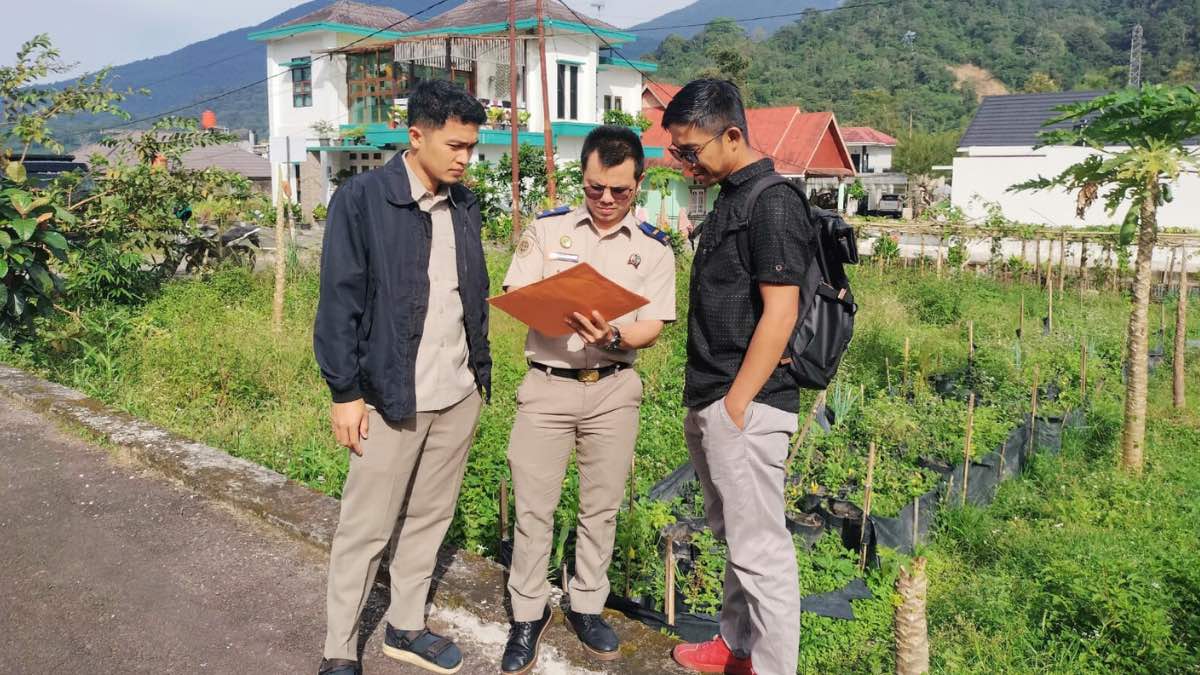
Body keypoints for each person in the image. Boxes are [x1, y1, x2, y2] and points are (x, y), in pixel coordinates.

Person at [312, 79, 491, 675]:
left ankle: (405, 625)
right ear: (416, 136)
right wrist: (345, 393)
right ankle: (340, 648)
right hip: (390, 396)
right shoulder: (362, 199)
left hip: (457, 392)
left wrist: (478, 374)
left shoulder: (464, 205)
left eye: (471, 147)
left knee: (430, 517)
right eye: (455, 145)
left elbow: (466, 295)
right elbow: (339, 302)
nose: (465, 158)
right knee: (365, 528)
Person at [498, 125, 677, 674]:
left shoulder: (652, 247)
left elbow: (653, 324)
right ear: (583, 178)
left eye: (619, 190)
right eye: (595, 187)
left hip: (613, 389)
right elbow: (515, 290)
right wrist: (548, 305)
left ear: (638, 184)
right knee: (533, 506)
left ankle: (587, 604)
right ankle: (528, 612)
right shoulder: (548, 229)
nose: (605, 199)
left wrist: (614, 335)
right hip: (548, 385)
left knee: (601, 507)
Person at [662, 79, 815, 675]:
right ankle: (736, 644)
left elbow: (781, 312)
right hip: (717, 395)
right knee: (738, 537)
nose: (685, 163)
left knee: (762, 552)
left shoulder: (772, 202)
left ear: (731, 135)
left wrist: (736, 406)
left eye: (690, 151)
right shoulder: (734, 194)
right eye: (677, 152)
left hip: (745, 403)